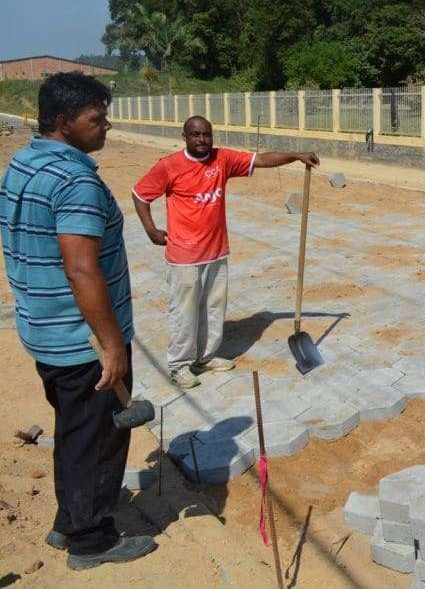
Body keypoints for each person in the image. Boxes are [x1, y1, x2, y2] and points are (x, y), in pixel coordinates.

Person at [0, 72, 155, 569]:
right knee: (100, 439)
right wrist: (111, 345)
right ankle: (93, 541)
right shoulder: (75, 180)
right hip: (83, 341)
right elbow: (81, 267)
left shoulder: (23, 162)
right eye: (97, 118)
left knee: (74, 431)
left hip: (44, 330)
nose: (106, 126)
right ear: (64, 122)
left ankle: (69, 523)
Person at [132, 115, 319, 389]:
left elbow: (262, 160)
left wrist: (296, 155)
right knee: (184, 313)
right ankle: (179, 366)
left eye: (206, 134)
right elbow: (140, 195)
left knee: (213, 309)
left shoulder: (222, 160)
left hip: (217, 252)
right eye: (195, 135)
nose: (202, 140)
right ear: (185, 137)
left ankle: (204, 359)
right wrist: (151, 230)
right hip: (184, 255)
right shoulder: (169, 166)